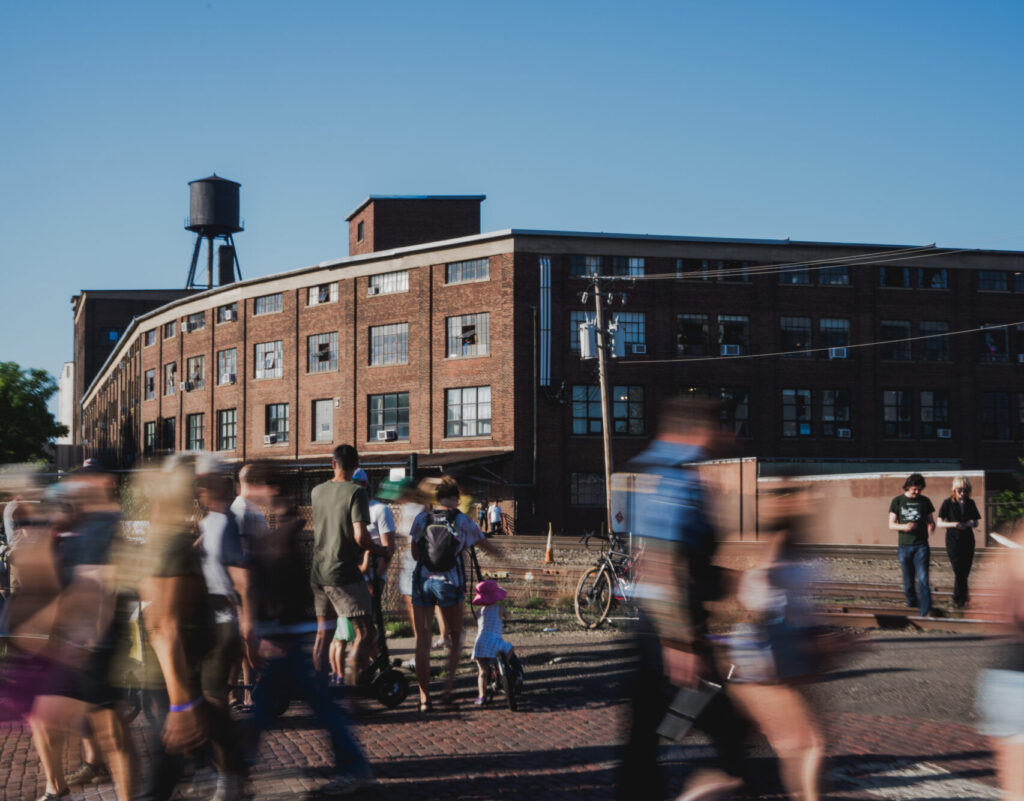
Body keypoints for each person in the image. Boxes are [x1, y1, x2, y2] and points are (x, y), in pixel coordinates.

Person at [616, 397, 752, 801]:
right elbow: (663, 560)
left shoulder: (656, 470)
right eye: (719, 426)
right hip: (670, 631)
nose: (728, 435)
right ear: (696, 430)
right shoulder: (678, 479)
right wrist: (680, 642)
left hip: (652, 627)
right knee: (730, 731)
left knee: (645, 736)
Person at [246, 471, 374, 796]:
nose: (246, 491)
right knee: (298, 705)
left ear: (271, 488)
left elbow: (286, 587)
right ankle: (237, 769)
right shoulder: (282, 530)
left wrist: (271, 629)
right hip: (285, 634)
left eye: (252, 483)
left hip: (285, 636)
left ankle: (236, 770)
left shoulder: (284, 533)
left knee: (279, 707)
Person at [726, 484, 825, 801]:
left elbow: (749, 592)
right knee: (809, 744)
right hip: (774, 657)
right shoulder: (780, 545)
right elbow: (761, 587)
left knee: (790, 745)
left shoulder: (775, 545)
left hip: (768, 657)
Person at [409, 476, 500, 710]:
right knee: (457, 635)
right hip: (449, 581)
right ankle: (447, 690)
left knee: (423, 641)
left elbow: (415, 554)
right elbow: (484, 545)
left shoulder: (422, 518)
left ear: (438, 498)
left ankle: (424, 699)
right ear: (455, 498)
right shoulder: (462, 520)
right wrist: (503, 556)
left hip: (422, 581)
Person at [310, 445, 390, 688]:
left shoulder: (316, 491)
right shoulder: (356, 492)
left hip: (318, 572)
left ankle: (321, 694)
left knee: (323, 635)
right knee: (365, 632)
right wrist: (380, 550)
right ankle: (356, 692)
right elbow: (360, 537)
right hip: (343, 572)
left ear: (332, 464)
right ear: (356, 465)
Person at [195, 457, 249, 801]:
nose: (199, 488)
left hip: (225, 623)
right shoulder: (209, 521)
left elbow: (241, 579)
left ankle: (229, 779)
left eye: (203, 482)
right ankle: (227, 773)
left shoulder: (228, 521)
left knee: (214, 705)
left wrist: (247, 623)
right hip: (207, 624)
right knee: (207, 705)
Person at [229, 462, 271, 710]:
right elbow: (245, 553)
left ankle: (244, 693)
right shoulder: (243, 511)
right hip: (246, 584)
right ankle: (244, 694)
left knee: (246, 640)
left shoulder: (247, 509)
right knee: (246, 640)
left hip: (249, 583)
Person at [887, 473, 936, 617]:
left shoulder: (925, 501)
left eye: (919, 489)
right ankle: (911, 601)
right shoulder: (897, 501)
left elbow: (930, 520)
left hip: (921, 546)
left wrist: (931, 526)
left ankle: (925, 610)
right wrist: (904, 527)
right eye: (915, 489)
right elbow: (891, 525)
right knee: (908, 580)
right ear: (908, 486)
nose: (917, 492)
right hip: (904, 546)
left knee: (923, 578)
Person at [936, 476, 981, 609]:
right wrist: (955, 524)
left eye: (966, 490)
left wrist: (971, 523)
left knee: (965, 570)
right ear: (954, 490)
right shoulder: (947, 503)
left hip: (968, 539)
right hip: (953, 540)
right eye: (960, 490)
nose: (963, 493)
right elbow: (939, 522)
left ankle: (961, 599)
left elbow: (976, 521)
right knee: (958, 569)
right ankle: (959, 598)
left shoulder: (971, 503)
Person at [470, 579, 516, 706]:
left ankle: (481, 696)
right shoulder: (500, 608)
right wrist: (507, 616)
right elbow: (508, 617)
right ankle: (504, 668)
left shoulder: (479, 612)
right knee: (510, 648)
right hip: (494, 640)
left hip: (480, 643)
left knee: (482, 672)